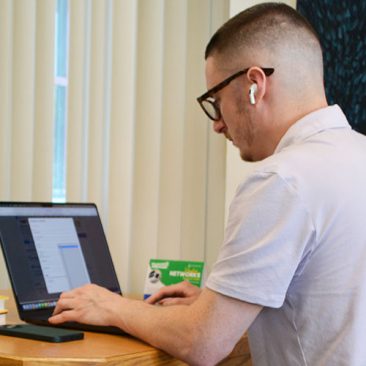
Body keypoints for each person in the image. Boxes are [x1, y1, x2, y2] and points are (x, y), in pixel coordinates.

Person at [49, 3, 366, 365]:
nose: (217, 124)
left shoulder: (282, 180)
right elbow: (329, 309)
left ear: (254, 86)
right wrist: (219, 304)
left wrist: (110, 305)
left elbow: (202, 343)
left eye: (215, 101)